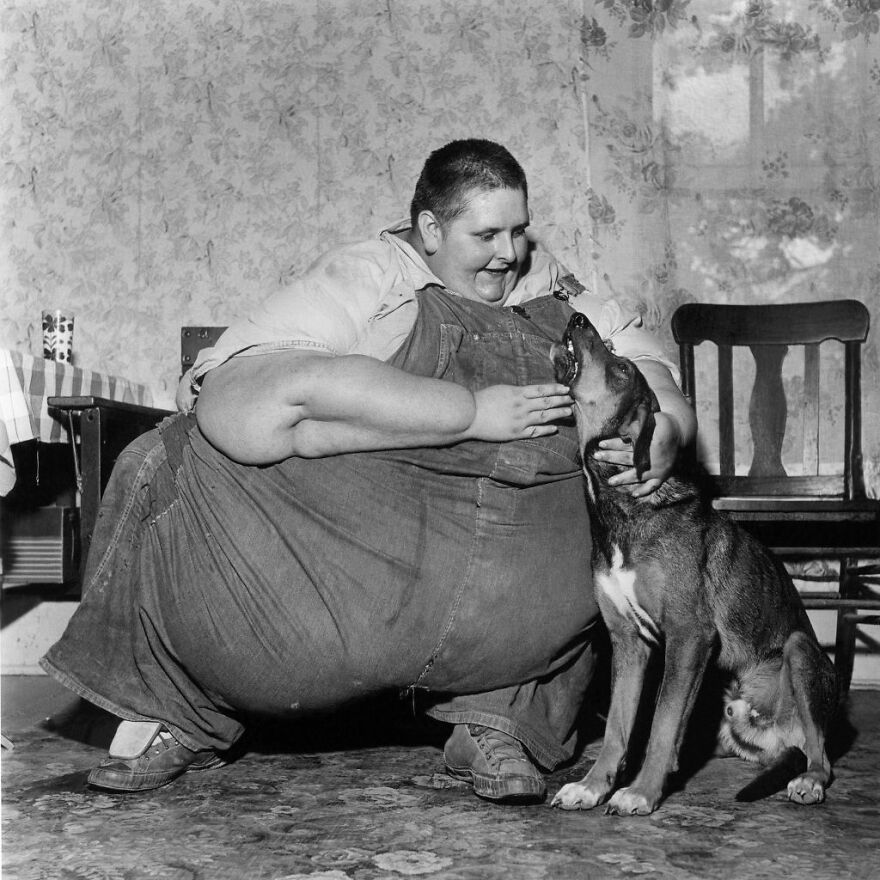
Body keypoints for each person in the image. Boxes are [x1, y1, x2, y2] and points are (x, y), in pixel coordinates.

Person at [42, 139, 695, 804]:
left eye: (518, 230)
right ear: (431, 229)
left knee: (601, 514)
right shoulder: (372, 272)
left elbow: (643, 358)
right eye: (486, 234)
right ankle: (178, 713)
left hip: (521, 569)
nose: (508, 252)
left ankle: (500, 721)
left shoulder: (549, 279)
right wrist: (469, 412)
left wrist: (667, 429)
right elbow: (251, 369)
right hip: (390, 555)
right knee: (164, 457)